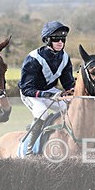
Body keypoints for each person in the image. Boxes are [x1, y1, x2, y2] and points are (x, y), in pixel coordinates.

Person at [18, 20, 75, 155]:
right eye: (56, 39)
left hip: (50, 91)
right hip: (31, 94)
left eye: (62, 39)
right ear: (47, 40)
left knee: (71, 108)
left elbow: (68, 83)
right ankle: (29, 150)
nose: (60, 42)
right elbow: (27, 89)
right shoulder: (34, 58)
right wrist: (48, 95)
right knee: (42, 112)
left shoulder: (65, 57)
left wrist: (73, 91)